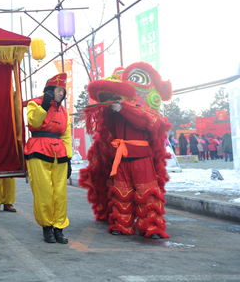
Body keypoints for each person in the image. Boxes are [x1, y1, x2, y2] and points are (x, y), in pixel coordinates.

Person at [79, 62, 173, 239]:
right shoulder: (115, 111)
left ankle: (152, 227)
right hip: (120, 158)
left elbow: (143, 123)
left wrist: (123, 108)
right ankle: (122, 224)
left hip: (141, 158)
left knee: (147, 194)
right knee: (121, 192)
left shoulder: (148, 111)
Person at [25, 73, 72, 244]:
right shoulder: (34, 104)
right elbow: (33, 123)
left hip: (59, 153)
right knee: (43, 192)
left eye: (63, 91)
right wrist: (44, 105)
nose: (61, 94)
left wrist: (69, 159)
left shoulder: (64, 111)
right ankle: (47, 227)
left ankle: (59, 227)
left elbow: (66, 136)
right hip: (38, 149)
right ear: (50, 91)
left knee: (60, 192)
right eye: (58, 90)